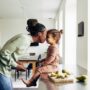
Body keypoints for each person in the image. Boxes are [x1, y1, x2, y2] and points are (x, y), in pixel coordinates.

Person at [0, 19, 47, 90]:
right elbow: (3, 53)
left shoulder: (26, 39)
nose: (46, 37)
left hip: (5, 70)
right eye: (45, 34)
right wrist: (16, 65)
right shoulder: (24, 39)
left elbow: (10, 53)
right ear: (39, 33)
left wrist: (16, 62)